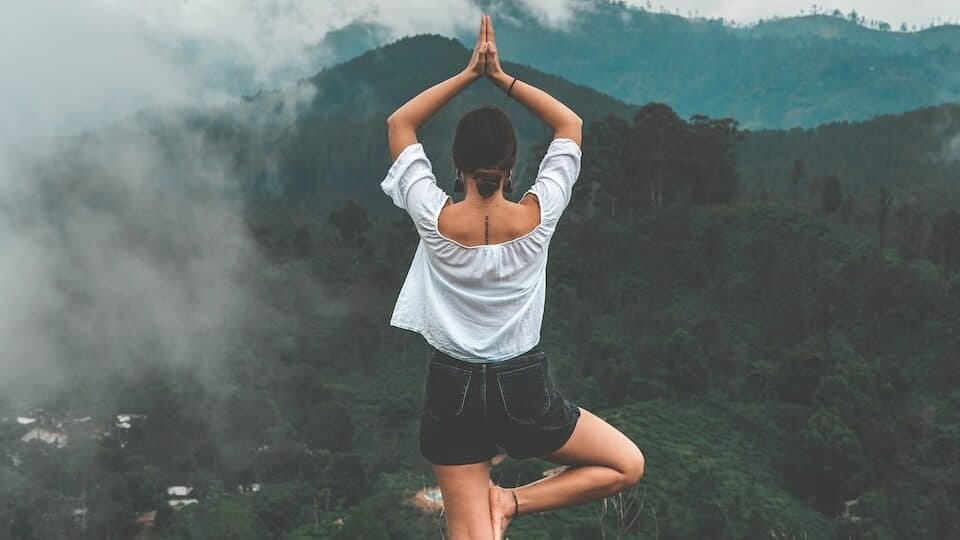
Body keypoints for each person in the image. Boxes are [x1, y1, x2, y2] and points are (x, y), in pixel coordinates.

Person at [382, 14, 645, 540]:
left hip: (451, 388)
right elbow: (570, 125)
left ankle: (495, 508)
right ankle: (510, 504)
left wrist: (467, 75)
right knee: (626, 464)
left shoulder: (434, 220)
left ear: (455, 164)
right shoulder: (538, 216)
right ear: (510, 166)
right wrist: (501, 77)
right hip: (521, 388)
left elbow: (399, 125)